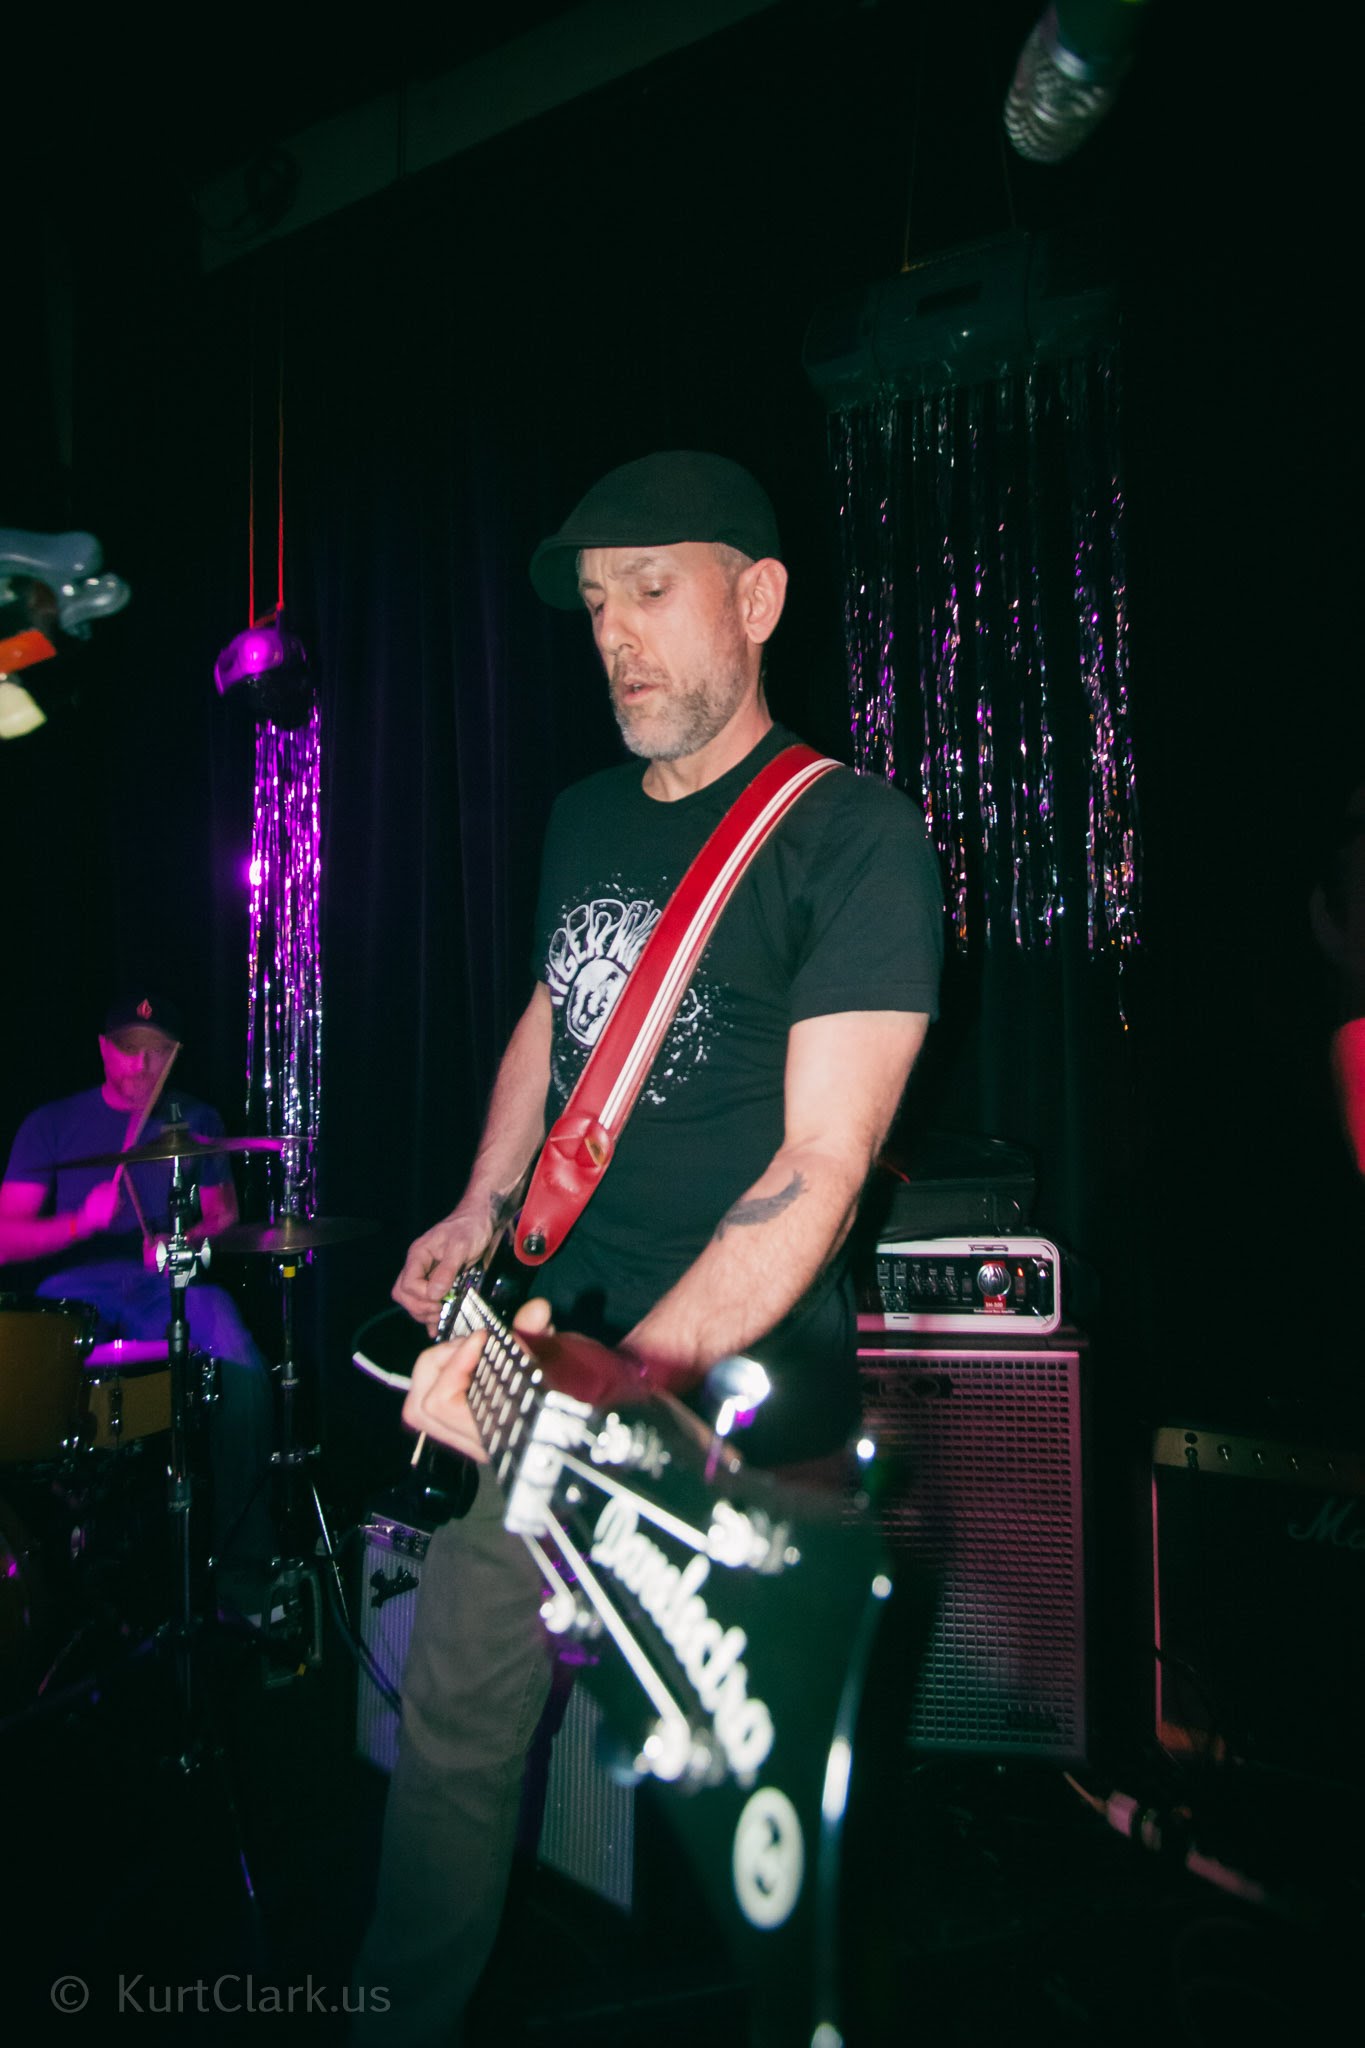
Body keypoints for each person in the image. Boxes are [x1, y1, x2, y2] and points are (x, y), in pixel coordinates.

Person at [350, 451, 944, 2041]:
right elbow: (559, 1016)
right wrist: (482, 1205)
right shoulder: (579, 818)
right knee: (452, 1738)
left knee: (767, 1858)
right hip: (554, 1365)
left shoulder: (854, 836)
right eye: (596, 602)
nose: (611, 631)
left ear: (757, 600)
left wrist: (606, 1389)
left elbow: (820, 1171)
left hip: (737, 1418)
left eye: (651, 590)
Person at [0, 991, 276, 1593]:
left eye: (156, 1052)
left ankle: (244, 1575)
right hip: (75, 1293)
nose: (141, 1065)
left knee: (244, 1368)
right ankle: (52, 1569)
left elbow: (224, 1216)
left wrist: (182, 1241)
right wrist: (80, 1224)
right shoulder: (51, 1124)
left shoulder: (196, 1120)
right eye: (129, 1050)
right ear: (104, 1049)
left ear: (174, 1054)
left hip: (164, 1286)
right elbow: (5, 1237)